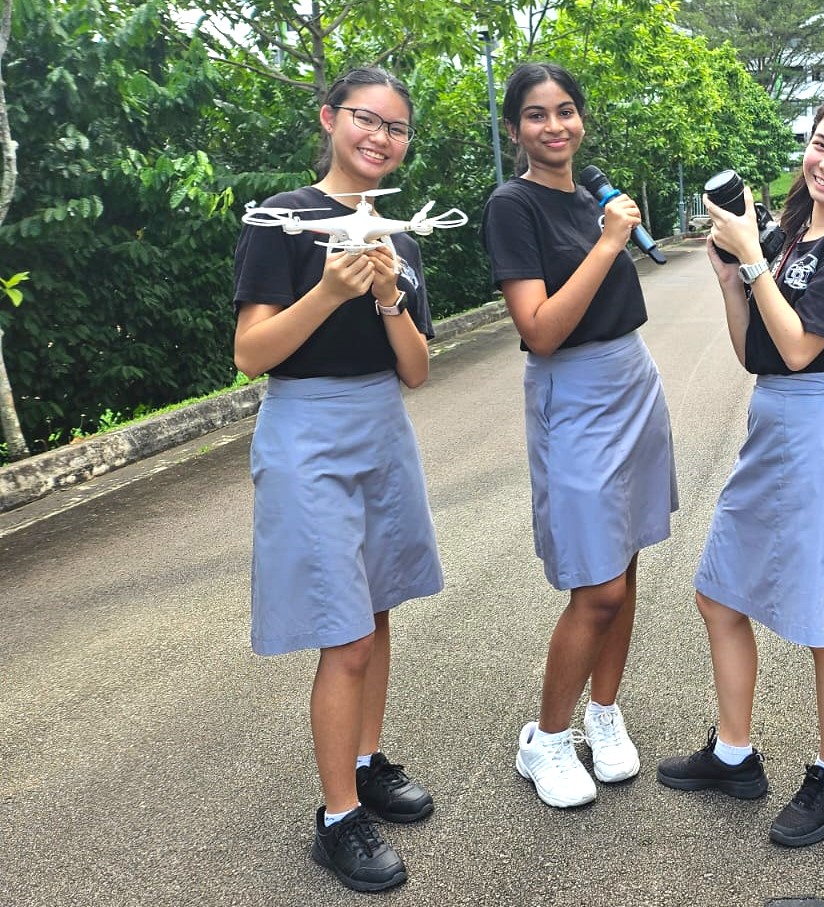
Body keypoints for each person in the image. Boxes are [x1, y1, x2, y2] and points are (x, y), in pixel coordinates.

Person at [655, 93, 824, 848]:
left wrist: (755, 260)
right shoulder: (794, 233)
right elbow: (756, 351)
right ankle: (734, 754)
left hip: (822, 421)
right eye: (821, 144)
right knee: (719, 591)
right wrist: (732, 278)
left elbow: (800, 349)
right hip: (774, 420)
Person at [232, 66, 444, 892]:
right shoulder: (282, 219)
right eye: (366, 118)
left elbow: (417, 371)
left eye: (396, 127)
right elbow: (251, 353)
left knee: (377, 607)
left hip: (382, 425)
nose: (380, 137)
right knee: (345, 631)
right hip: (307, 430)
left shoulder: (403, 238)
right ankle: (337, 817)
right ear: (329, 118)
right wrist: (327, 290)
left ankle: (364, 761)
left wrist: (389, 295)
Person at [480, 62, 677, 810]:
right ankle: (548, 738)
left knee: (625, 562)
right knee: (596, 585)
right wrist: (607, 243)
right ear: (514, 129)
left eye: (566, 110)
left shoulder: (595, 196)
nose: (555, 125)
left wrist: (609, 230)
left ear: (581, 119)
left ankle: (604, 710)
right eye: (536, 115)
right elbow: (540, 329)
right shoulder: (513, 205)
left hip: (633, 378)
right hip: (574, 390)